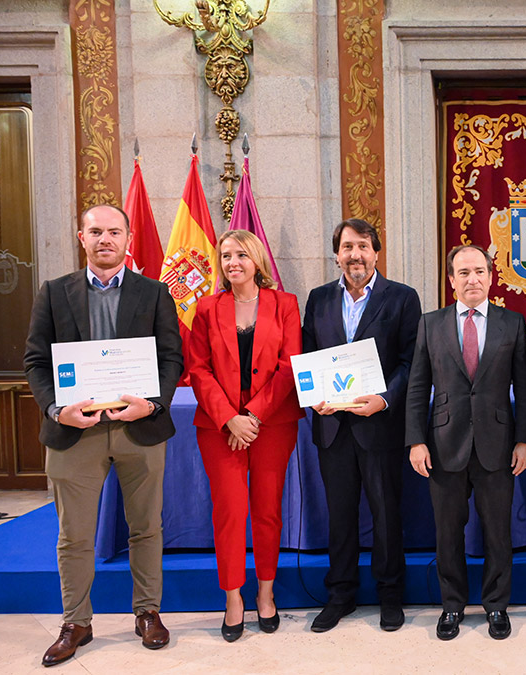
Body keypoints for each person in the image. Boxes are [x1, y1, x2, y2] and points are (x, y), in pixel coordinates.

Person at [23, 204, 183, 666]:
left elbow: (171, 359)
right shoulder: (54, 293)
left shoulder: (154, 293)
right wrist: (56, 409)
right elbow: (36, 361)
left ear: (129, 239)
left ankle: (147, 612)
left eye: (114, 232)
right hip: (75, 431)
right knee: (74, 535)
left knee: (146, 527)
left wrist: (152, 404)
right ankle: (76, 622)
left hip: (140, 428)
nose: (105, 239)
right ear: (81, 237)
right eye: (96, 232)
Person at [404, 244, 526, 641]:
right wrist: (415, 440)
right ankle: (452, 606)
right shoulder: (431, 323)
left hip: (498, 444)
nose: (472, 279)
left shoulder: (512, 323)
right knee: (448, 532)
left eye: (479, 271)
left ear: (491, 276)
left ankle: (496, 606)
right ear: (451, 281)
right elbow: (416, 387)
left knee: (498, 531)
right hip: (443, 444)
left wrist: (525, 440)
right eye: (463, 273)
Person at [302, 218, 421, 633]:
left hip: (380, 425)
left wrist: (386, 399)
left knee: (387, 514)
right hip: (332, 427)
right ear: (336, 254)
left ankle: (391, 595)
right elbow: (308, 355)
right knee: (340, 515)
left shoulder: (403, 298)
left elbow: (411, 362)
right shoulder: (317, 300)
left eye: (363, 246)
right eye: (347, 247)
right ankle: (341, 595)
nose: (355, 254)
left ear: (376, 252)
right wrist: (311, 395)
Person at [188, 230, 303, 641]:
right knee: (231, 513)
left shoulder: (285, 305)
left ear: (256, 260)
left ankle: (266, 594)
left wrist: (252, 414)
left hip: (272, 424)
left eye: (240, 254)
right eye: (225, 256)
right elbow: (197, 369)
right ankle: (234, 597)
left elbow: (290, 365)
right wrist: (230, 419)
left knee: (268, 510)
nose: (232, 262)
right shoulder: (206, 308)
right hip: (219, 428)